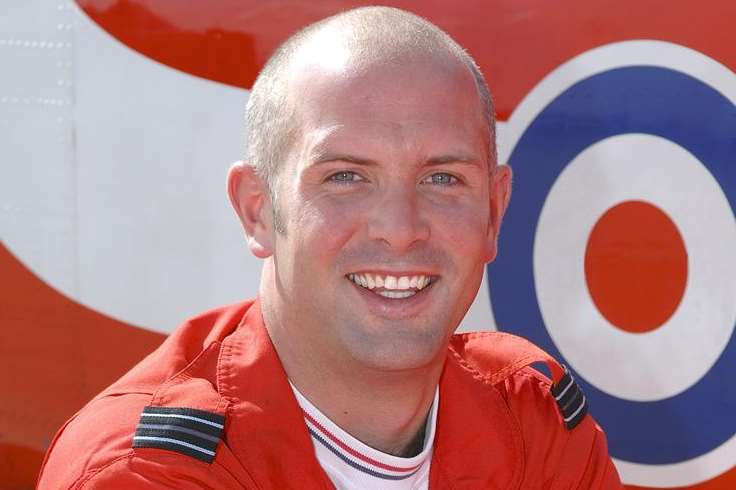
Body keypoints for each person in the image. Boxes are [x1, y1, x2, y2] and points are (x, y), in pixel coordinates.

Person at [37, 6, 622, 489]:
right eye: (345, 176)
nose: (400, 228)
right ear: (258, 210)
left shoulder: (533, 419)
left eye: (442, 178)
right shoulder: (145, 473)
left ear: (494, 212)